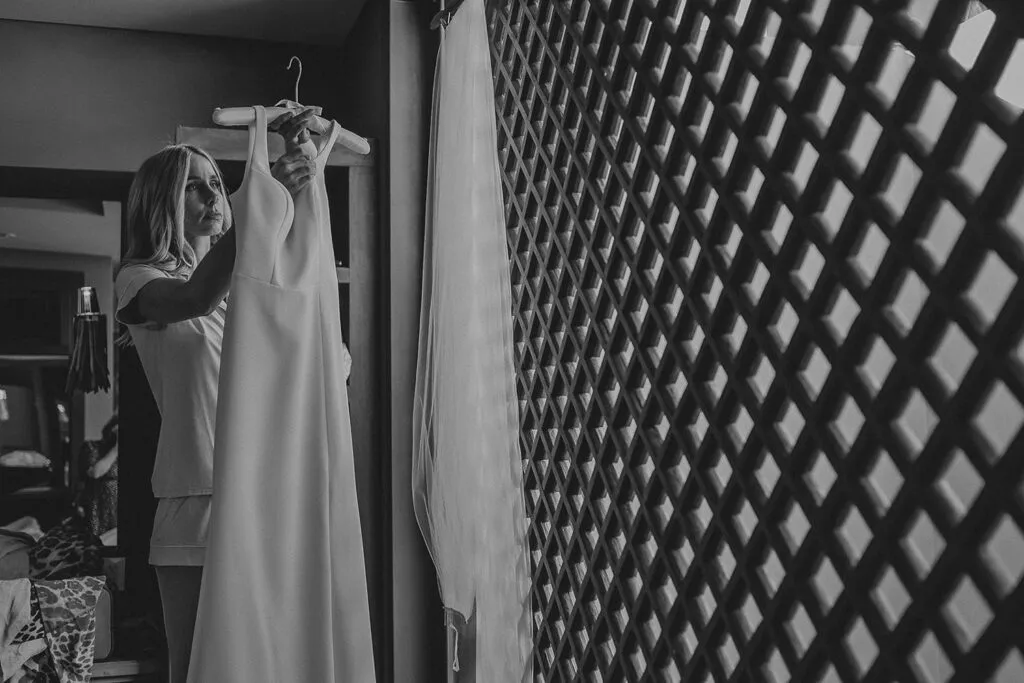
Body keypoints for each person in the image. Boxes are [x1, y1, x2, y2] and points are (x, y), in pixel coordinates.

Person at [113, 108, 324, 683]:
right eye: (194, 187)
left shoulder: (248, 287)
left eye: (217, 184)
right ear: (161, 201)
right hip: (195, 495)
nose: (214, 196)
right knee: (197, 668)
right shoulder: (139, 280)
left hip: (264, 489)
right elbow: (193, 300)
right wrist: (262, 199)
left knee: (267, 662)